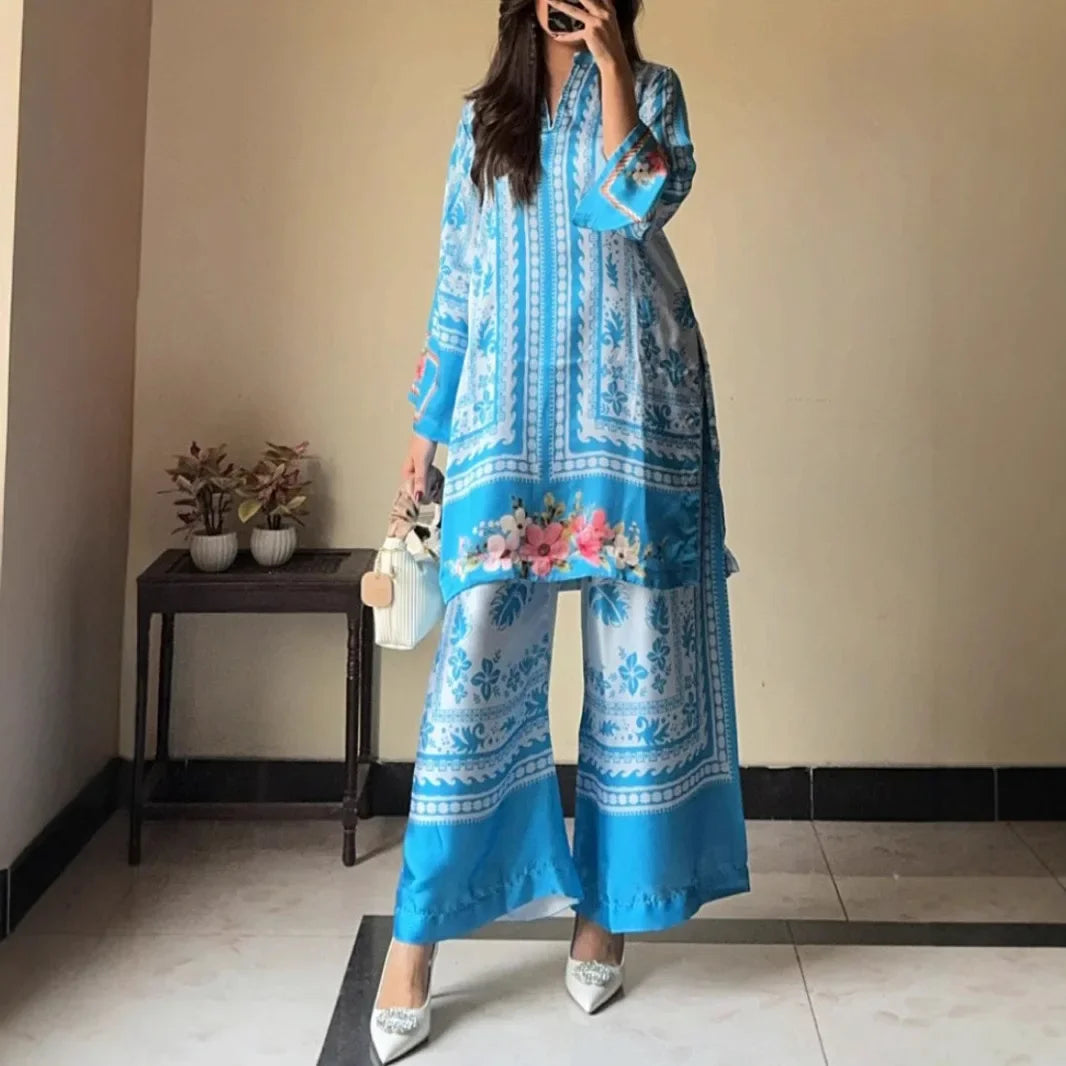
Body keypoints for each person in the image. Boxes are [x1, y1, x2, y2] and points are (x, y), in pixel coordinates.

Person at [372, 1, 749, 1059]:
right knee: (475, 664)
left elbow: (634, 205)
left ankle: (607, 914)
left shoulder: (654, 89)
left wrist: (615, 67)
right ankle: (416, 935)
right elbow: (459, 278)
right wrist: (425, 427)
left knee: (639, 672)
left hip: (635, 408)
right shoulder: (482, 117)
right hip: (506, 417)